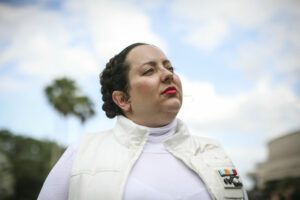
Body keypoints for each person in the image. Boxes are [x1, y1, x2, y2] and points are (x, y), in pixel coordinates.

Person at [38, 43, 248, 200]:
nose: (167, 75)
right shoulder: (82, 153)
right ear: (122, 99)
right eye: (149, 70)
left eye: (169, 68)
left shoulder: (213, 151)